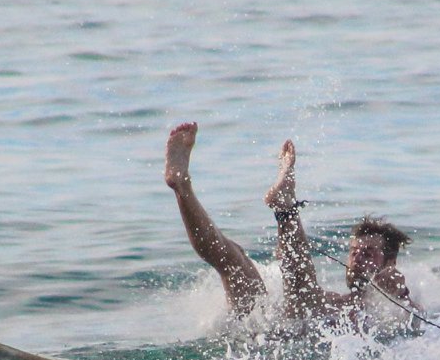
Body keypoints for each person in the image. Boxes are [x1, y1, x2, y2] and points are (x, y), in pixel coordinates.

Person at [163, 122, 413, 326]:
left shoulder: (394, 307)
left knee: (304, 295)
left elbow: (421, 327)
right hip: (271, 332)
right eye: (354, 252)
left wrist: (400, 295)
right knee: (234, 260)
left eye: (368, 253)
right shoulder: (335, 302)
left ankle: (286, 210)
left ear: (390, 263)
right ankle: (181, 186)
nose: (357, 258)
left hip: (292, 335)